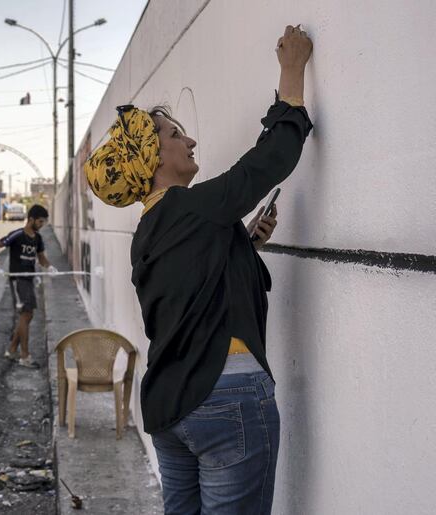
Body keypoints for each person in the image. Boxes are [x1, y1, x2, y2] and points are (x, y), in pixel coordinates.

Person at [83, 25, 313, 515]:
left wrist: (243, 243)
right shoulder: (190, 209)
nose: (189, 139)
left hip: (171, 408)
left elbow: (193, 293)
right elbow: (269, 161)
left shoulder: (150, 229)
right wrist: (292, 75)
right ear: (151, 157)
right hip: (227, 399)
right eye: (173, 134)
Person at [0, 204, 57, 368]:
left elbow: (41, 258)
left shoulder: (38, 238)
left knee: (28, 316)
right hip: (18, 280)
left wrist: (49, 267)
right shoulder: (17, 235)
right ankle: (24, 355)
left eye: (43, 222)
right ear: (31, 219)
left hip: (29, 280)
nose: (41, 225)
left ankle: (12, 349)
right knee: (25, 315)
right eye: (40, 222)